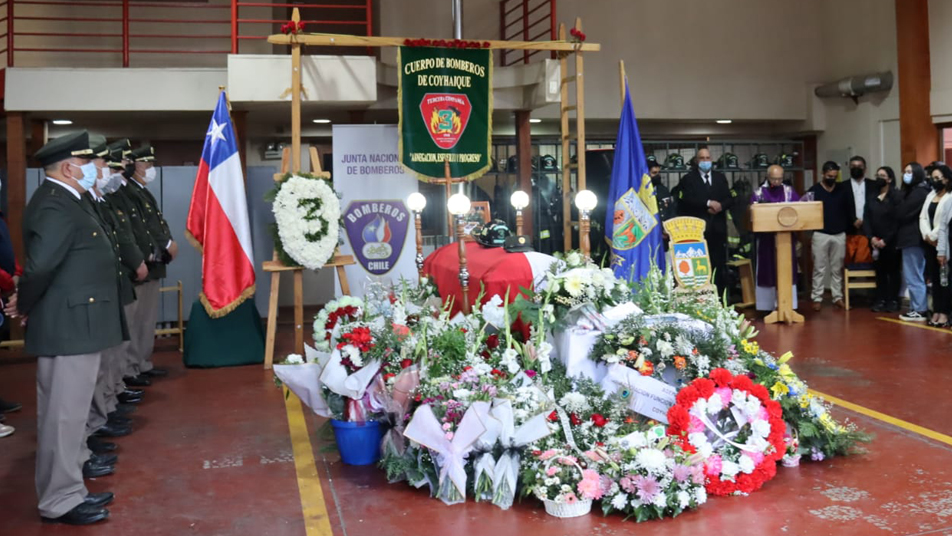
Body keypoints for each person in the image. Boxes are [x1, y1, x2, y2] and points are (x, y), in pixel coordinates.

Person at [6, 130, 126, 525]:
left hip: (80, 323)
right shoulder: (55, 204)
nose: (97, 168)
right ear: (70, 167)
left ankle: (71, 485)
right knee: (62, 417)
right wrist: (24, 302)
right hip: (68, 324)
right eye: (90, 163)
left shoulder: (69, 200)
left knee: (71, 416)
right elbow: (40, 266)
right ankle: (59, 499)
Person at [118, 144, 175, 384]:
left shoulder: (140, 191)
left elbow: (153, 223)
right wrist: (151, 252)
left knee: (145, 320)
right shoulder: (125, 192)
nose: (150, 168)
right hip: (139, 265)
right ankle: (130, 369)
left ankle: (141, 363)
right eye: (146, 164)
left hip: (152, 263)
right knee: (133, 321)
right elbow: (133, 230)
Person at [677, 146, 733, 296]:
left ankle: (720, 298)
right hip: (699, 232)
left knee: (718, 266)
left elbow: (729, 198)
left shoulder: (720, 178)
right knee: (699, 267)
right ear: (696, 161)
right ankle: (701, 297)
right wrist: (707, 203)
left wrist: (721, 206)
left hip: (718, 230)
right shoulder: (688, 179)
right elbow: (686, 200)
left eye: (708, 158)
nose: (705, 161)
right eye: (702, 158)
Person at [750, 165, 800, 312]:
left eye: (780, 178)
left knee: (787, 269)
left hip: (785, 239)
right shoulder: (759, 193)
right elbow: (753, 216)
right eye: (774, 179)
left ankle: (787, 305)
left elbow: (799, 211)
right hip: (766, 240)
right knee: (767, 270)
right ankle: (767, 306)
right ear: (768, 177)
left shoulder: (789, 192)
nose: (777, 182)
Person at [807, 161, 853, 310]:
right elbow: (807, 211)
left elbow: (849, 209)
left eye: (834, 176)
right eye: (829, 176)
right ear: (823, 174)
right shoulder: (814, 190)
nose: (832, 178)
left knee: (837, 267)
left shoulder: (843, 189)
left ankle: (837, 296)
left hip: (839, 233)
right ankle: (817, 297)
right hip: (820, 233)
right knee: (819, 268)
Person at [898, 163, 932, 322]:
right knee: (912, 274)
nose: (906, 174)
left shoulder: (919, 193)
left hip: (913, 238)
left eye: (910, 172)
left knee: (913, 275)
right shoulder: (913, 191)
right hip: (910, 238)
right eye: (905, 172)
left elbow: (902, 212)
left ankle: (920, 308)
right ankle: (916, 307)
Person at [864, 166, 902, 312]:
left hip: (891, 241)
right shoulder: (872, 196)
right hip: (874, 241)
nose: (879, 178)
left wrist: (885, 240)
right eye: (877, 175)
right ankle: (880, 299)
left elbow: (897, 221)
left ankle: (893, 300)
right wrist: (871, 237)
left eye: (883, 175)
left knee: (892, 271)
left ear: (889, 179)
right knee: (879, 271)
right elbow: (866, 218)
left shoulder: (896, 197)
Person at [920, 164, 952, 326]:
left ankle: (945, 312)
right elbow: (923, 217)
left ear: (946, 179)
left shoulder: (950, 197)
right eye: (932, 178)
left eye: (938, 178)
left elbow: (945, 224)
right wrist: (926, 235)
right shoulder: (930, 195)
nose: (934, 181)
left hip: (943, 243)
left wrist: (933, 236)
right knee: (934, 279)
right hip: (929, 244)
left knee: (945, 280)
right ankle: (937, 310)